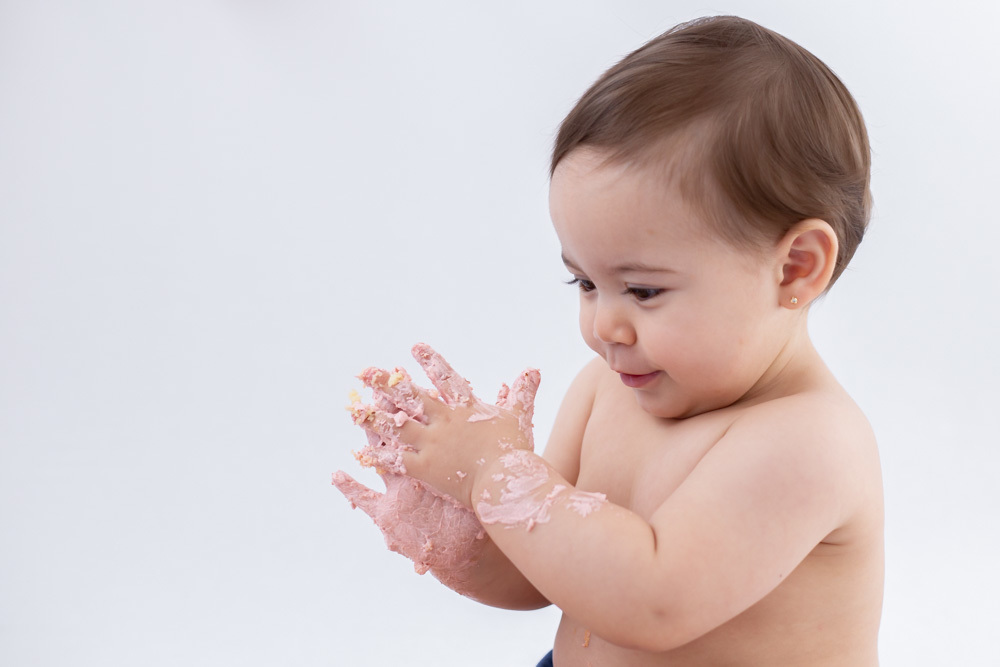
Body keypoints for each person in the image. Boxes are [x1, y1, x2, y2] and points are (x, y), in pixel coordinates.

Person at [334, 15, 883, 666]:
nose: (603, 326)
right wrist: (464, 537)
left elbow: (652, 600)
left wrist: (498, 472)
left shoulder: (808, 442)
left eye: (644, 290)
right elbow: (548, 572)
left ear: (794, 268)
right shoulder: (605, 393)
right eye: (585, 282)